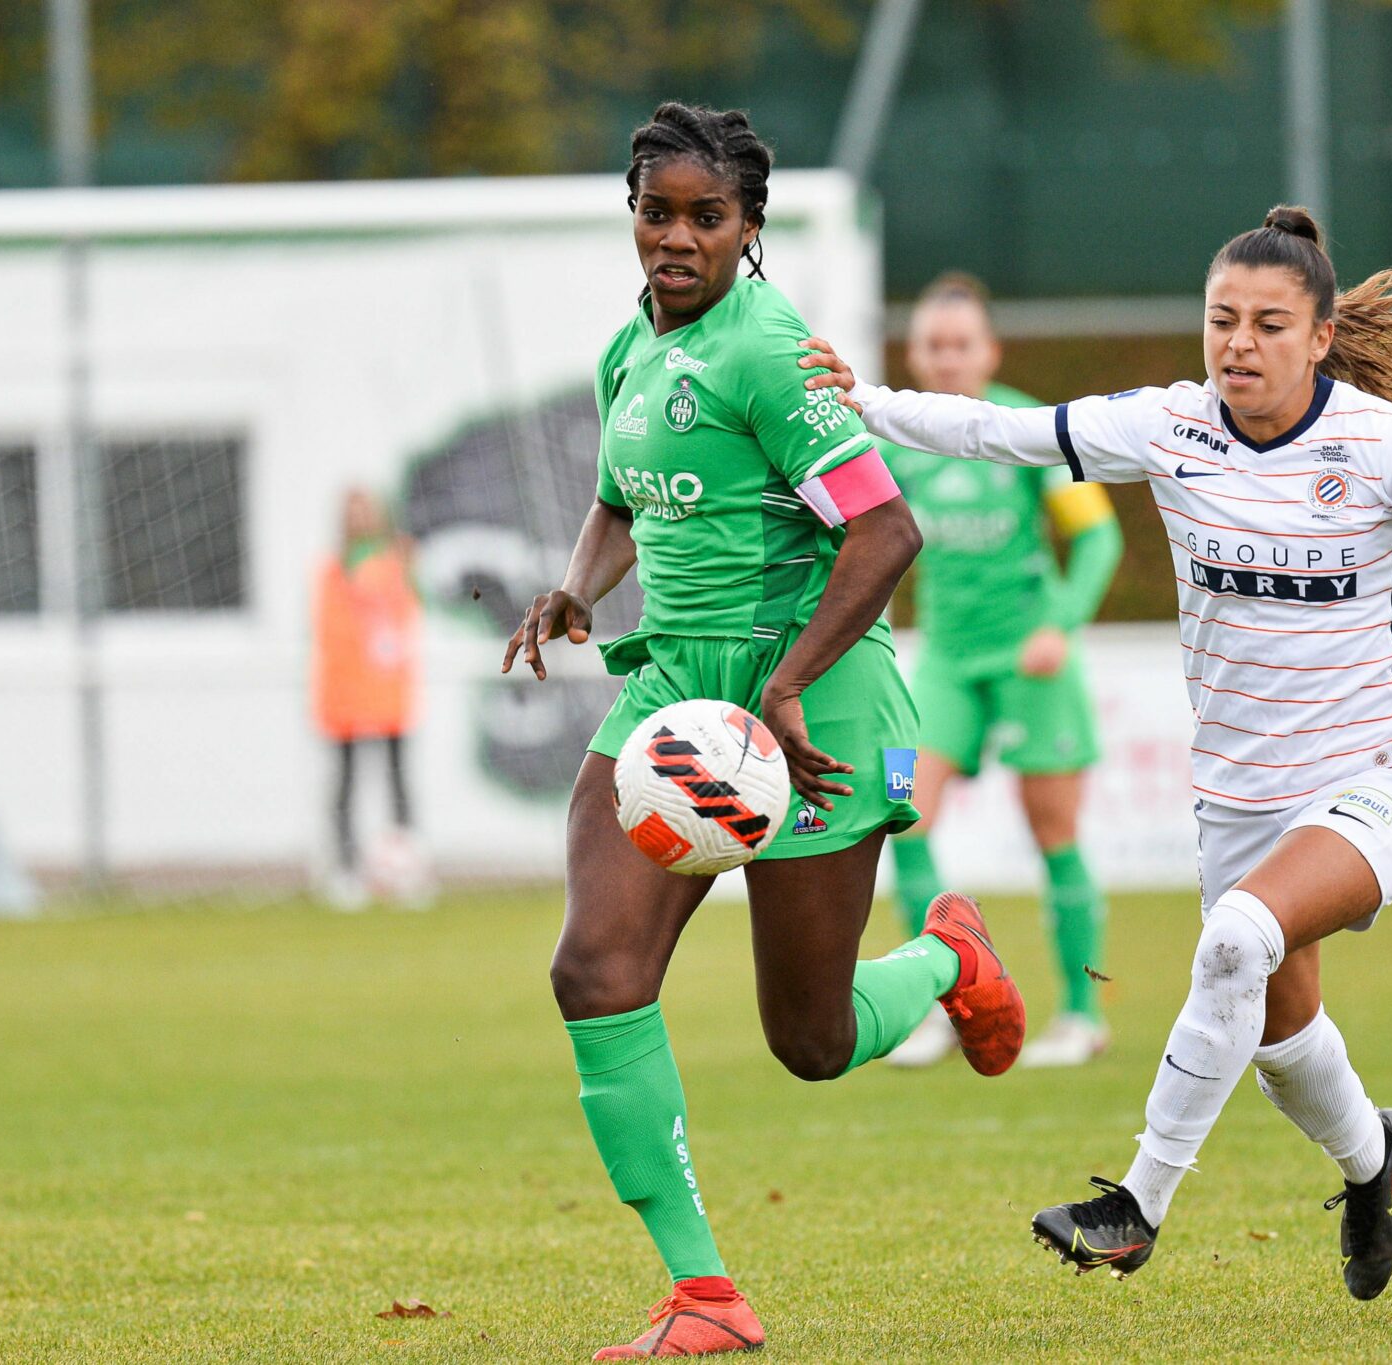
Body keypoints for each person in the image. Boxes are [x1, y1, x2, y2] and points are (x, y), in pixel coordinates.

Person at [798, 205, 1392, 1300]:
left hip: (1375, 781)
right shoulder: (1166, 425)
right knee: (1278, 1032)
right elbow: (996, 433)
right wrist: (860, 403)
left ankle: (1136, 1205)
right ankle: (1369, 1161)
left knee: (1230, 944)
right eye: (1221, 321)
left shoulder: (1380, 442)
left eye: (1266, 324)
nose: (1238, 343)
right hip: (1238, 800)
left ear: (1316, 338)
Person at [500, 102, 1026, 1361]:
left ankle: (948, 959)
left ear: (749, 229)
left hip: (815, 704)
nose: (674, 237)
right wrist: (581, 584)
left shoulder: (772, 354)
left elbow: (883, 533)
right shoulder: (628, 351)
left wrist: (786, 686)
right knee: (593, 971)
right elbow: (622, 500)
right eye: (655, 211)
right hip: (669, 697)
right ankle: (705, 1297)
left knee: (811, 1040)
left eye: (704, 217)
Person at [880, 272, 1125, 1070]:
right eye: (934, 345)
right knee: (901, 816)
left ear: (989, 350)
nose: (947, 358)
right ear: (915, 352)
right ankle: (941, 1007)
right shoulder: (897, 442)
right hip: (944, 663)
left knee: (1053, 830)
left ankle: (1083, 1013)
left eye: (962, 344)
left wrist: (1060, 624)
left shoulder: (1028, 430)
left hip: (1030, 660)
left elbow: (1098, 539)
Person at [312, 488, 421, 907]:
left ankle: (406, 866)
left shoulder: (397, 562)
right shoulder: (334, 570)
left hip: (388, 693)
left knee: (398, 780)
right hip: (345, 693)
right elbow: (332, 630)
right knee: (345, 782)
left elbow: (410, 610)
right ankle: (344, 867)